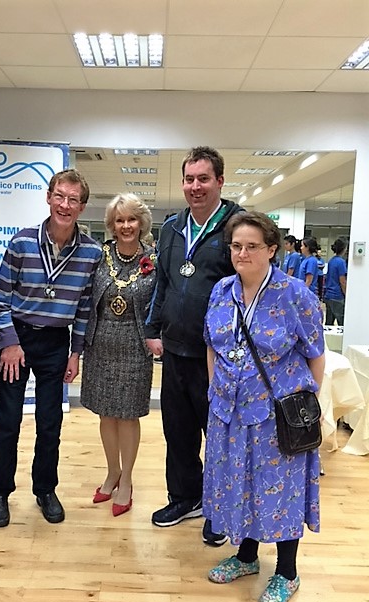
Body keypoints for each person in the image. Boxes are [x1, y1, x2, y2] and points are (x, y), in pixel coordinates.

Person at [203, 211, 324, 602]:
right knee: (240, 483)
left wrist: (309, 405)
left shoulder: (295, 295)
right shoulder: (222, 290)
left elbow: (315, 354)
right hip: (229, 411)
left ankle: (287, 571)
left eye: (252, 246)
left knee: (281, 489)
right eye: (236, 246)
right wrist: (215, 390)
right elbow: (212, 344)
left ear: (272, 249)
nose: (242, 253)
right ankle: (246, 556)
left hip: (276, 414)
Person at [0, 168, 102, 528]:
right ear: (49, 197)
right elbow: (1, 298)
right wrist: (9, 342)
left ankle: (45, 489)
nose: (65, 205)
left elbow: (84, 308)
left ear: (82, 207)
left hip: (56, 341)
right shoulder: (22, 242)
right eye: (60, 196)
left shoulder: (91, 252)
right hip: (17, 339)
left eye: (73, 200)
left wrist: (76, 352)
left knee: (50, 423)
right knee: (7, 421)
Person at [145, 146, 244, 544]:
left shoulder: (237, 227)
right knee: (178, 431)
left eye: (204, 179)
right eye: (189, 179)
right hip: (174, 350)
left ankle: (220, 509)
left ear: (220, 181)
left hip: (218, 357)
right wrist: (153, 328)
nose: (195, 186)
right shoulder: (172, 227)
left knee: (219, 436)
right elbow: (164, 282)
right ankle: (185, 497)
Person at [80, 193, 157, 516]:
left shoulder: (155, 260)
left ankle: (126, 480)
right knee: (106, 414)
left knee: (127, 415)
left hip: (135, 347)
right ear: (111, 225)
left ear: (142, 223)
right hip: (100, 346)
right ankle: (112, 471)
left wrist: (157, 336)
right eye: (120, 220)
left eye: (131, 219)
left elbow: (160, 303)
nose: (126, 226)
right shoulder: (99, 256)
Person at [324, 238, 347, 326]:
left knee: (329, 323)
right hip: (337, 296)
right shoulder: (341, 262)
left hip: (328, 295)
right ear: (344, 248)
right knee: (342, 322)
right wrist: (346, 294)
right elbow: (342, 281)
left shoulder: (331, 260)